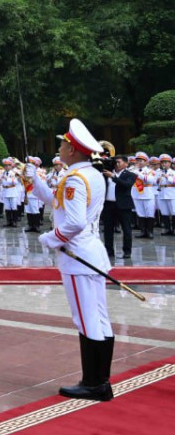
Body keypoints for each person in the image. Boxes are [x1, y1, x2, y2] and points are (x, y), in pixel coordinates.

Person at [27, 118, 114, 401]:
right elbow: (57, 202)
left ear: (73, 150)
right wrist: (34, 179)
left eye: (64, 143)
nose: (61, 147)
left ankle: (93, 383)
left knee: (85, 319)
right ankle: (100, 380)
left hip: (78, 256)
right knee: (99, 318)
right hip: (91, 251)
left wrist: (49, 239)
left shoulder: (75, 178)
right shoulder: (90, 174)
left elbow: (73, 222)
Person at [102, 155, 136, 259]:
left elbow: (126, 185)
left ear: (126, 163)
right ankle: (109, 251)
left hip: (123, 205)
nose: (116, 164)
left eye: (119, 162)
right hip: (108, 204)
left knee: (126, 229)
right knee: (108, 229)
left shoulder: (130, 174)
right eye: (115, 162)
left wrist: (113, 177)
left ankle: (127, 251)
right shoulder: (106, 173)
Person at [133, 152, 157, 238]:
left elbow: (150, 180)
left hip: (148, 194)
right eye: (138, 160)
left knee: (150, 213)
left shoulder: (151, 171)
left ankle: (150, 232)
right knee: (140, 213)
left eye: (141, 161)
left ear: (146, 162)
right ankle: (143, 231)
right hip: (137, 195)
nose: (139, 162)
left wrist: (138, 173)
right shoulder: (132, 170)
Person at [158, 154, 175, 236]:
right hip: (162, 193)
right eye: (163, 163)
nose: (164, 164)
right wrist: (158, 179)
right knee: (164, 212)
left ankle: (174, 229)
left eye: (166, 162)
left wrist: (167, 177)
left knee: (173, 212)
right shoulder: (159, 172)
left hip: (171, 194)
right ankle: (167, 229)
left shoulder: (173, 172)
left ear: (170, 163)